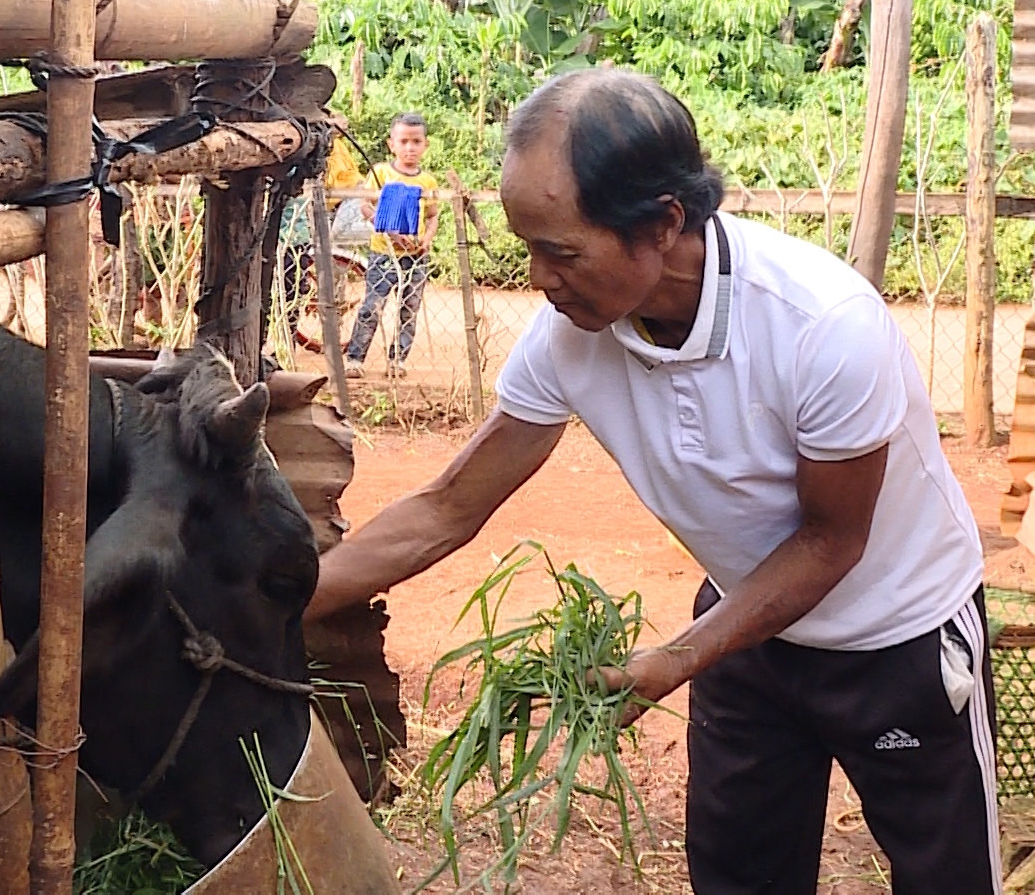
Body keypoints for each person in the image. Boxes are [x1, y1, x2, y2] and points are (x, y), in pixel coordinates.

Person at [307, 68, 999, 894]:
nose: (537, 278)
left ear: (664, 223)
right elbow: (448, 506)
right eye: (526, 247)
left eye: (559, 251)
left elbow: (830, 541)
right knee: (739, 876)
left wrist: (676, 658)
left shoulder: (823, 326)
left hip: (900, 642)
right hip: (748, 634)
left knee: (947, 877)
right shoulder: (569, 336)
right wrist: (276, 599)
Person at [343, 112, 443, 379]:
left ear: (425, 144)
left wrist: (427, 240)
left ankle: (397, 360)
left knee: (409, 309)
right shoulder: (381, 173)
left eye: (416, 141)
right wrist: (392, 230)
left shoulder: (428, 181)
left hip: (416, 256)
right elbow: (366, 207)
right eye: (404, 141)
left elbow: (432, 216)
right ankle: (355, 358)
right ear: (392, 144)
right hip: (384, 252)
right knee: (373, 306)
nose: (409, 148)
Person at [274, 134, 366, 355]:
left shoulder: (315, 155)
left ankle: (288, 343)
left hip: (298, 233)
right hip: (279, 231)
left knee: (294, 289)